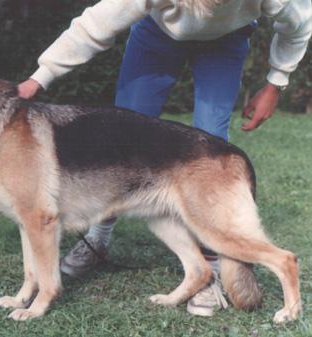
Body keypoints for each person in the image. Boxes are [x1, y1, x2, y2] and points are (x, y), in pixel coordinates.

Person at [17, 0, 312, 317]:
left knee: (209, 146)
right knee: (121, 140)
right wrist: (40, 76)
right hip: (157, 35)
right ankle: (98, 240)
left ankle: (209, 267)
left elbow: (299, 23)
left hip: (227, 41)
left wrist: (275, 83)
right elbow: (95, 24)